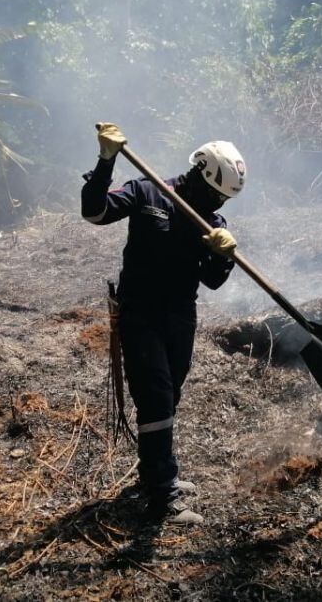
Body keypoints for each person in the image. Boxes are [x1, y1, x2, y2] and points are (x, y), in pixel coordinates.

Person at [80, 123, 244, 525]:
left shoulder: (211, 221)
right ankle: (162, 495)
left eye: (223, 198)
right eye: (216, 193)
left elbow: (213, 281)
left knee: (169, 395)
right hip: (141, 313)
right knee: (155, 397)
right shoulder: (147, 191)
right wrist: (105, 162)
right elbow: (94, 211)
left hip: (180, 316)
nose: (218, 202)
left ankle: (157, 468)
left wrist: (223, 254)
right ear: (201, 176)